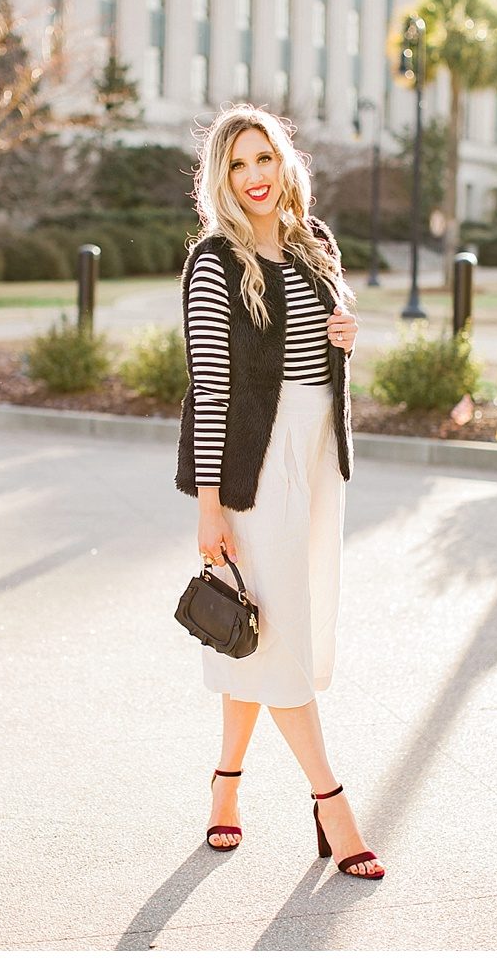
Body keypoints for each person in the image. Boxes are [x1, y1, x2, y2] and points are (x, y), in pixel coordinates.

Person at [175, 104, 383, 879]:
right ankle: (331, 800)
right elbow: (209, 385)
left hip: (317, 450)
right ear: (221, 178)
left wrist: (344, 334)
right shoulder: (213, 261)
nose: (255, 176)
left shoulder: (312, 242)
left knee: (264, 628)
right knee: (283, 629)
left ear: (283, 161)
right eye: (237, 164)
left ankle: (225, 786)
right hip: (251, 467)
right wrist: (207, 504)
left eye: (264, 158)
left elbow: (325, 338)